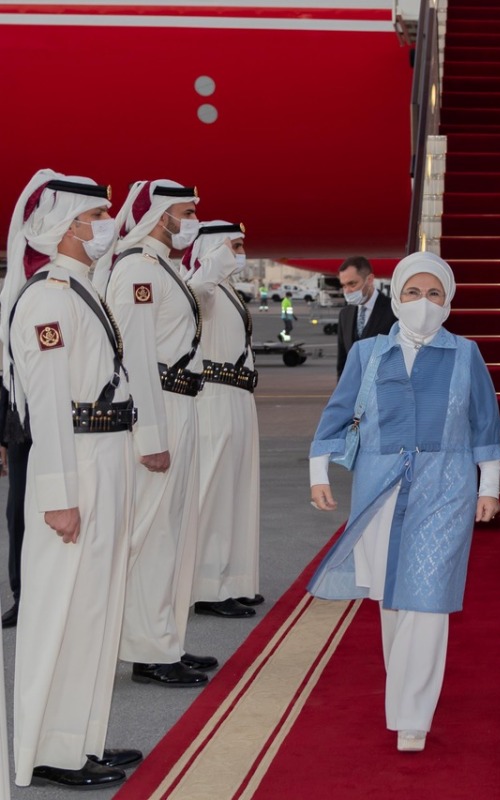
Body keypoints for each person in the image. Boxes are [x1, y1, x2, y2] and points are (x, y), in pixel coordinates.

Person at [309, 252, 500, 752]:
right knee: (391, 598)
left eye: (434, 294)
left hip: (447, 489)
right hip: (379, 490)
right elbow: (337, 414)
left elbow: (485, 425)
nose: (422, 303)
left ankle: (413, 714)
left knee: (429, 599)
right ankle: (404, 693)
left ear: (448, 300)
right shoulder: (368, 353)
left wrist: (487, 488)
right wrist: (318, 473)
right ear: (396, 298)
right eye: (413, 293)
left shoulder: (466, 353)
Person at [3, 170, 141, 789]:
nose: (107, 224)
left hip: (104, 457)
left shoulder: (85, 288)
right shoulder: (50, 297)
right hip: (75, 465)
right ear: (67, 227)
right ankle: (50, 750)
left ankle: (80, 741)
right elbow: (49, 403)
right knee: (61, 611)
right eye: (97, 216)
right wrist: (59, 497)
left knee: (93, 610)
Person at [99, 179, 216, 687]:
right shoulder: (137, 269)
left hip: (181, 402)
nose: (191, 221)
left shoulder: (164, 266)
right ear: (162, 214)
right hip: (159, 408)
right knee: (154, 536)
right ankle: (149, 651)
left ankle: (164, 639)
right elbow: (135, 358)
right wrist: (149, 435)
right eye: (186, 212)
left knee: (174, 533)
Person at [184, 223, 264, 618]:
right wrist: (211, 266)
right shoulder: (204, 285)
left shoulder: (229, 288)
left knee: (237, 493)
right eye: (234, 245)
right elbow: (195, 296)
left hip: (238, 396)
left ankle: (235, 580)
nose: (240, 252)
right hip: (215, 397)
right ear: (214, 249)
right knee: (214, 497)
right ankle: (207, 588)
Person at [336, 256, 396, 378]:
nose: (347, 291)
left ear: (369, 280)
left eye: (352, 284)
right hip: (354, 392)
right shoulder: (345, 314)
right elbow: (342, 362)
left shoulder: (394, 311)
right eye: (344, 285)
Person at [0, 378, 28, 628]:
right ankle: (22, 599)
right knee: (17, 515)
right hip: (19, 424)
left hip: (65, 420)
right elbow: (7, 376)